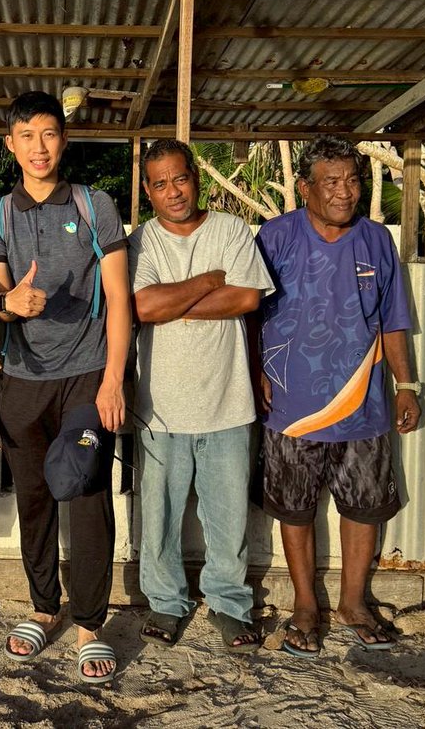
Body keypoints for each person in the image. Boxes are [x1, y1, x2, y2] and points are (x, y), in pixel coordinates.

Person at [0, 90, 131, 685]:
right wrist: (11, 303)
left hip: (87, 376)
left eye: (49, 134)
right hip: (21, 380)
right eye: (27, 136)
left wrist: (114, 379)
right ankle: (44, 608)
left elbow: (119, 297)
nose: (39, 148)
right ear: (10, 144)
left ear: (63, 140)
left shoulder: (96, 205)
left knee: (86, 495)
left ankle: (90, 624)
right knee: (34, 497)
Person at [254, 134, 422, 658]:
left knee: (365, 508)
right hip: (291, 405)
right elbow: (247, 311)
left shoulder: (376, 240)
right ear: (304, 188)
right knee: (295, 510)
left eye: (353, 180)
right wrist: (253, 370)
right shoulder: (274, 237)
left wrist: (406, 385)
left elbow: (393, 319)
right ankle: (305, 605)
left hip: (364, 407)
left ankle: (353, 603)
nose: (345, 192)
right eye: (331, 182)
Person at [128, 139, 273, 655]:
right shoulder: (142, 241)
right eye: (161, 183)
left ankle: (231, 605)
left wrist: (177, 299)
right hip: (159, 406)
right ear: (148, 190)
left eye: (181, 179)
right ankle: (166, 603)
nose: (174, 191)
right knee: (160, 517)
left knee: (228, 515)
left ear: (197, 178)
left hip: (228, 401)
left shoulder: (232, 230)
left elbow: (248, 297)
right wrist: (209, 281)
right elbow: (143, 305)